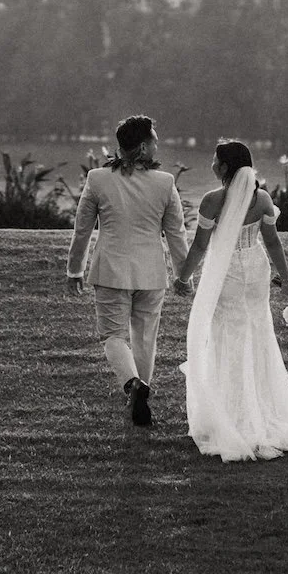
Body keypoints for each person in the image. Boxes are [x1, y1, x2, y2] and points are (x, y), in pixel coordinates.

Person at [171, 140, 288, 461]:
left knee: (228, 338)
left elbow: (198, 248)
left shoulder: (212, 201)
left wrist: (183, 278)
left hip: (227, 275)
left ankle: (234, 417)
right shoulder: (262, 199)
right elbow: (273, 243)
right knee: (258, 335)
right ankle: (263, 410)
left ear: (225, 168)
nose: (211, 163)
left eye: (215, 160)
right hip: (255, 271)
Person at [65, 115, 190, 427]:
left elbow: (82, 231)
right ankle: (141, 392)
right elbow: (176, 234)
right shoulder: (165, 183)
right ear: (145, 146)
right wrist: (183, 275)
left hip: (110, 270)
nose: (158, 143)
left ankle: (133, 385)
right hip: (151, 273)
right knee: (146, 337)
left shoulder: (97, 179)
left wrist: (74, 270)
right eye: (155, 139)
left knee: (113, 336)